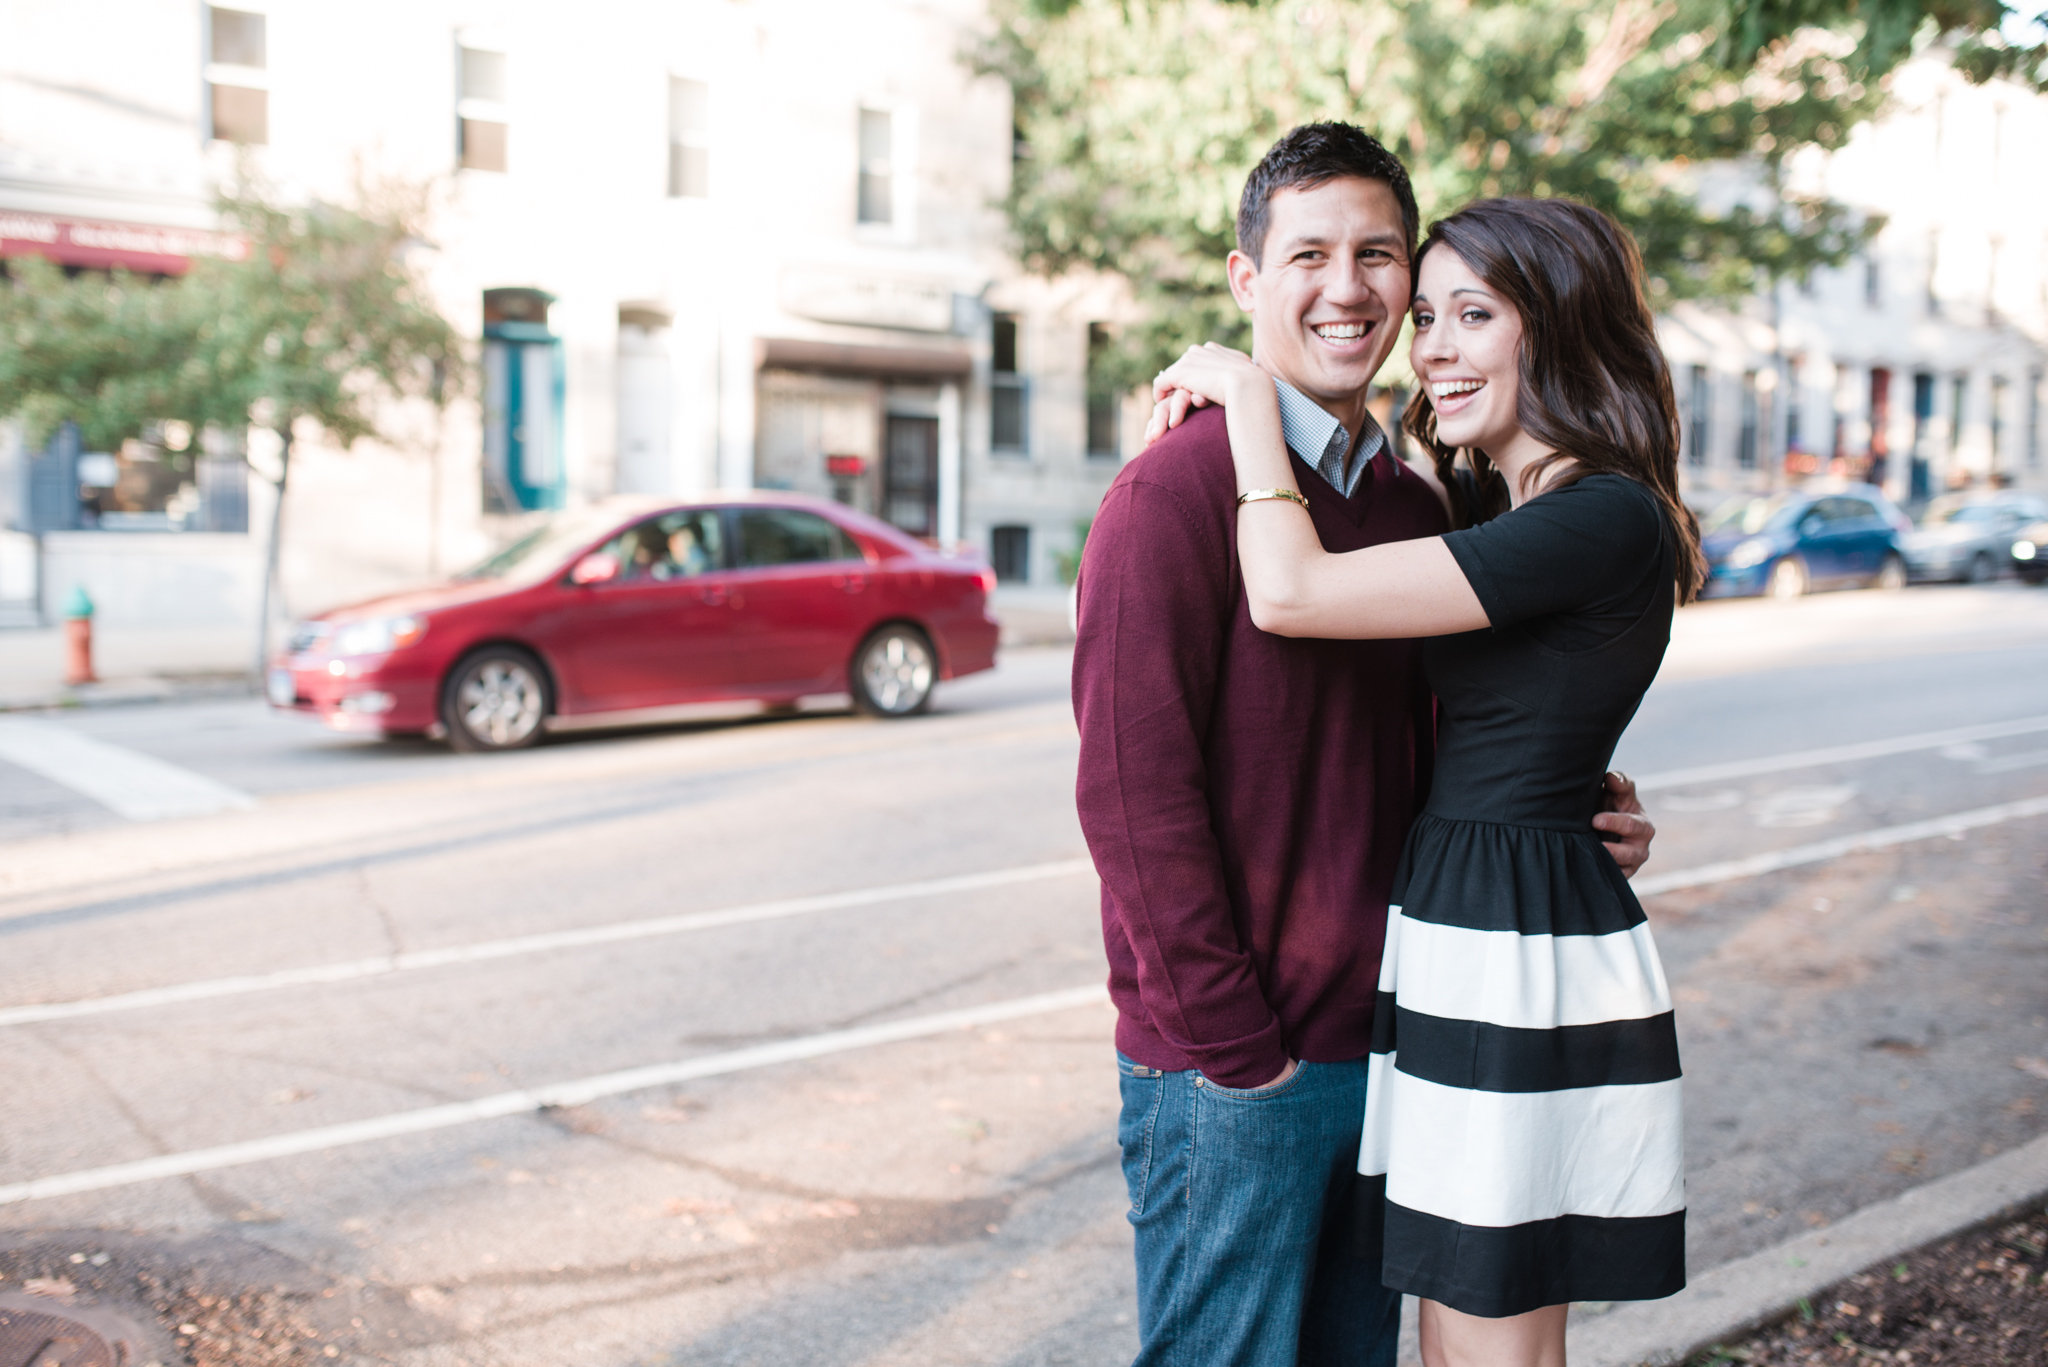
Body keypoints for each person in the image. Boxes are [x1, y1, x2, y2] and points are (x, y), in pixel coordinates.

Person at [1072, 122, 1658, 1367]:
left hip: (1401, 1032)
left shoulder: (1411, 502)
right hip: (1242, 1067)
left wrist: (1568, 793)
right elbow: (1131, 798)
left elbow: (1431, 733)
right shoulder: (1170, 496)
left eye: (1378, 255)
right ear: (1246, 280)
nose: (1349, 289)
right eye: (1309, 254)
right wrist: (1238, 1052)